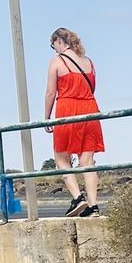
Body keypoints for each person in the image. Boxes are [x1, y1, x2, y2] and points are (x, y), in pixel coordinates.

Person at [44, 27, 105, 217]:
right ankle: (93, 206)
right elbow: (92, 88)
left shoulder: (57, 61)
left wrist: (47, 117)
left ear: (59, 41)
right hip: (90, 110)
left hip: (67, 109)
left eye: (53, 45)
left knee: (61, 158)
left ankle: (78, 197)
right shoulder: (89, 62)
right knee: (88, 161)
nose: (54, 49)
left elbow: (51, 92)